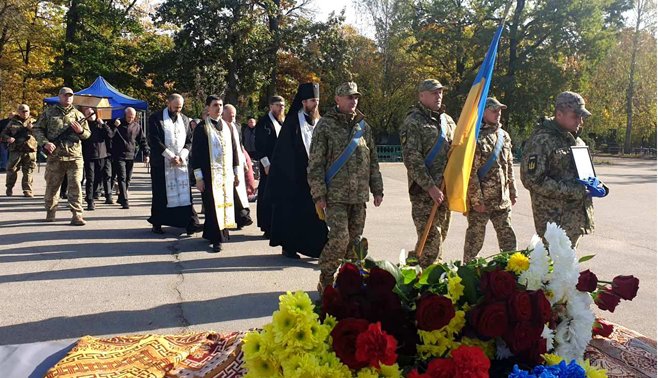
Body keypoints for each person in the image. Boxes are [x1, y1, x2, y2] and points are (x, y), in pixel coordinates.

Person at [308, 81, 384, 293]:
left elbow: (373, 161)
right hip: (335, 196)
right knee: (340, 238)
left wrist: (377, 188)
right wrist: (318, 194)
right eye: (349, 97)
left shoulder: (363, 127)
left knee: (354, 243)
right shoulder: (325, 125)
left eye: (356, 97)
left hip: (359, 196)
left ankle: (348, 283)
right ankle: (326, 278)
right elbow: (315, 164)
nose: (354, 101)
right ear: (337, 100)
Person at [521, 91, 608, 247]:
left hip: (576, 219)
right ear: (559, 114)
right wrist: (574, 190)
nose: (580, 121)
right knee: (552, 265)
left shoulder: (577, 140)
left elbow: (582, 174)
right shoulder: (542, 140)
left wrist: (596, 186)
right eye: (575, 116)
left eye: (582, 117)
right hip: (554, 221)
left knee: (567, 265)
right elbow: (532, 180)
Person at [399, 79, 457, 268]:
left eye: (440, 92)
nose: (438, 96)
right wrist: (430, 187)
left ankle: (415, 269)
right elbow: (412, 158)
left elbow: (456, 152)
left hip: (445, 190)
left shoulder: (447, 121)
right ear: (421, 96)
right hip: (425, 193)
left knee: (439, 237)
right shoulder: (413, 121)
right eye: (434, 92)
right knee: (432, 239)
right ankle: (429, 286)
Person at [268, 82, 327, 259]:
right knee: (293, 214)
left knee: (316, 215)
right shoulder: (293, 122)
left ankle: (316, 248)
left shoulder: (320, 121)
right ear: (303, 102)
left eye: (317, 100)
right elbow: (284, 154)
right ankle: (289, 247)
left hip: (315, 178)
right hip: (295, 179)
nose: (315, 104)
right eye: (311, 100)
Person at [463, 97, 518, 262]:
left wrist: (513, 190)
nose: (498, 113)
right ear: (483, 112)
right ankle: (469, 270)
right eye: (494, 110)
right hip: (482, 201)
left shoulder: (504, 135)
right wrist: (476, 200)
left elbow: (508, 165)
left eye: (499, 110)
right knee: (475, 239)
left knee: (508, 237)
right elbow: (471, 173)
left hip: (502, 199)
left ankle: (512, 269)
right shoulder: (476, 137)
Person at [33, 87, 91, 225]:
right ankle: (50, 211)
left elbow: (88, 135)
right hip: (55, 156)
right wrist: (45, 143)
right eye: (65, 95)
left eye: (70, 96)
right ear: (59, 97)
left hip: (74, 156)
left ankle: (77, 215)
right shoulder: (49, 113)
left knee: (76, 185)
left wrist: (80, 130)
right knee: (52, 186)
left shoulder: (79, 115)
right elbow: (36, 129)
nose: (68, 98)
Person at [147, 93, 201, 235]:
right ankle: (157, 223)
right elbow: (154, 139)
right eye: (176, 107)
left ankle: (189, 223)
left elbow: (189, 140)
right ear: (168, 103)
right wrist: (170, 156)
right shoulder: (156, 118)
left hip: (181, 164)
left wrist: (181, 156)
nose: (178, 110)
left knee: (184, 194)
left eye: (180, 107)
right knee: (161, 194)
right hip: (162, 163)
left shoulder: (184, 119)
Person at [191, 95, 240, 252]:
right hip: (209, 175)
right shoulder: (202, 128)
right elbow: (196, 156)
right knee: (212, 207)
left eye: (220, 105)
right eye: (215, 105)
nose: (219, 108)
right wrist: (198, 178)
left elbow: (234, 150)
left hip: (225, 175)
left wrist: (236, 172)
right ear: (208, 108)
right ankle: (216, 238)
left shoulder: (227, 126)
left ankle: (221, 232)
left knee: (224, 205)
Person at [254, 95, 285, 238]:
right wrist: (266, 164)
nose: (281, 108)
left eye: (283, 105)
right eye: (278, 105)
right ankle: (266, 226)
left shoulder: (283, 122)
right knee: (267, 195)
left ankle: (277, 224)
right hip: (269, 164)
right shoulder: (264, 123)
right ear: (271, 106)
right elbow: (260, 146)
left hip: (281, 165)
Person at [109, 107, 150, 209]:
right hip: (119, 155)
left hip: (131, 155)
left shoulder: (137, 126)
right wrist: (114, 125)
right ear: (125, 115)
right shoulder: (118, 123)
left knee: (128, 178)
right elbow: (109, 134)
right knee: (122, 177)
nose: (130, 119)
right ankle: (124, 200)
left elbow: (142, 140)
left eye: (132, 117)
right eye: (128, 117)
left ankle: (121, 197)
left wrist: (146, 153)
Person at [222, 104, 253, 228]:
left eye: (233, 116)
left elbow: (240, 145)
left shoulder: (237, 127)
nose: (232, 118)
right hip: (225, 164)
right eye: (229, 116)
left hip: (238, 163)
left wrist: (244, 162)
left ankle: (242, 218)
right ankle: (242, 217)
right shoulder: (219, 127)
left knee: (239, 192)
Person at [0, 105, 37, 197]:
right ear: (19, 112)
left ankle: (27, 190)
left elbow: (40, 134)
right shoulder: (12, 122)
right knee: (12, 170)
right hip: (16, 150)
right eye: (23, 111)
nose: (25, 113)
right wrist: (8, 138)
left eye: (27, 111)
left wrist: (32, 129)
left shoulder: (34, 122)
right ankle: (9, 188)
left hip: (30, 150)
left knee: (28, 170)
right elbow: (3, 133)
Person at [81, 107, 112, 210]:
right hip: (89, 155)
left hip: (102, 155)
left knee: (99, 178)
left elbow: (110, 135)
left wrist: (103, 124)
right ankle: (90, 201)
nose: (91, 115)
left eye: (93, 113)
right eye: (89, 113)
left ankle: (94, 194)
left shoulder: (100, 125)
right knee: (90, 178)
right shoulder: (84, 125)